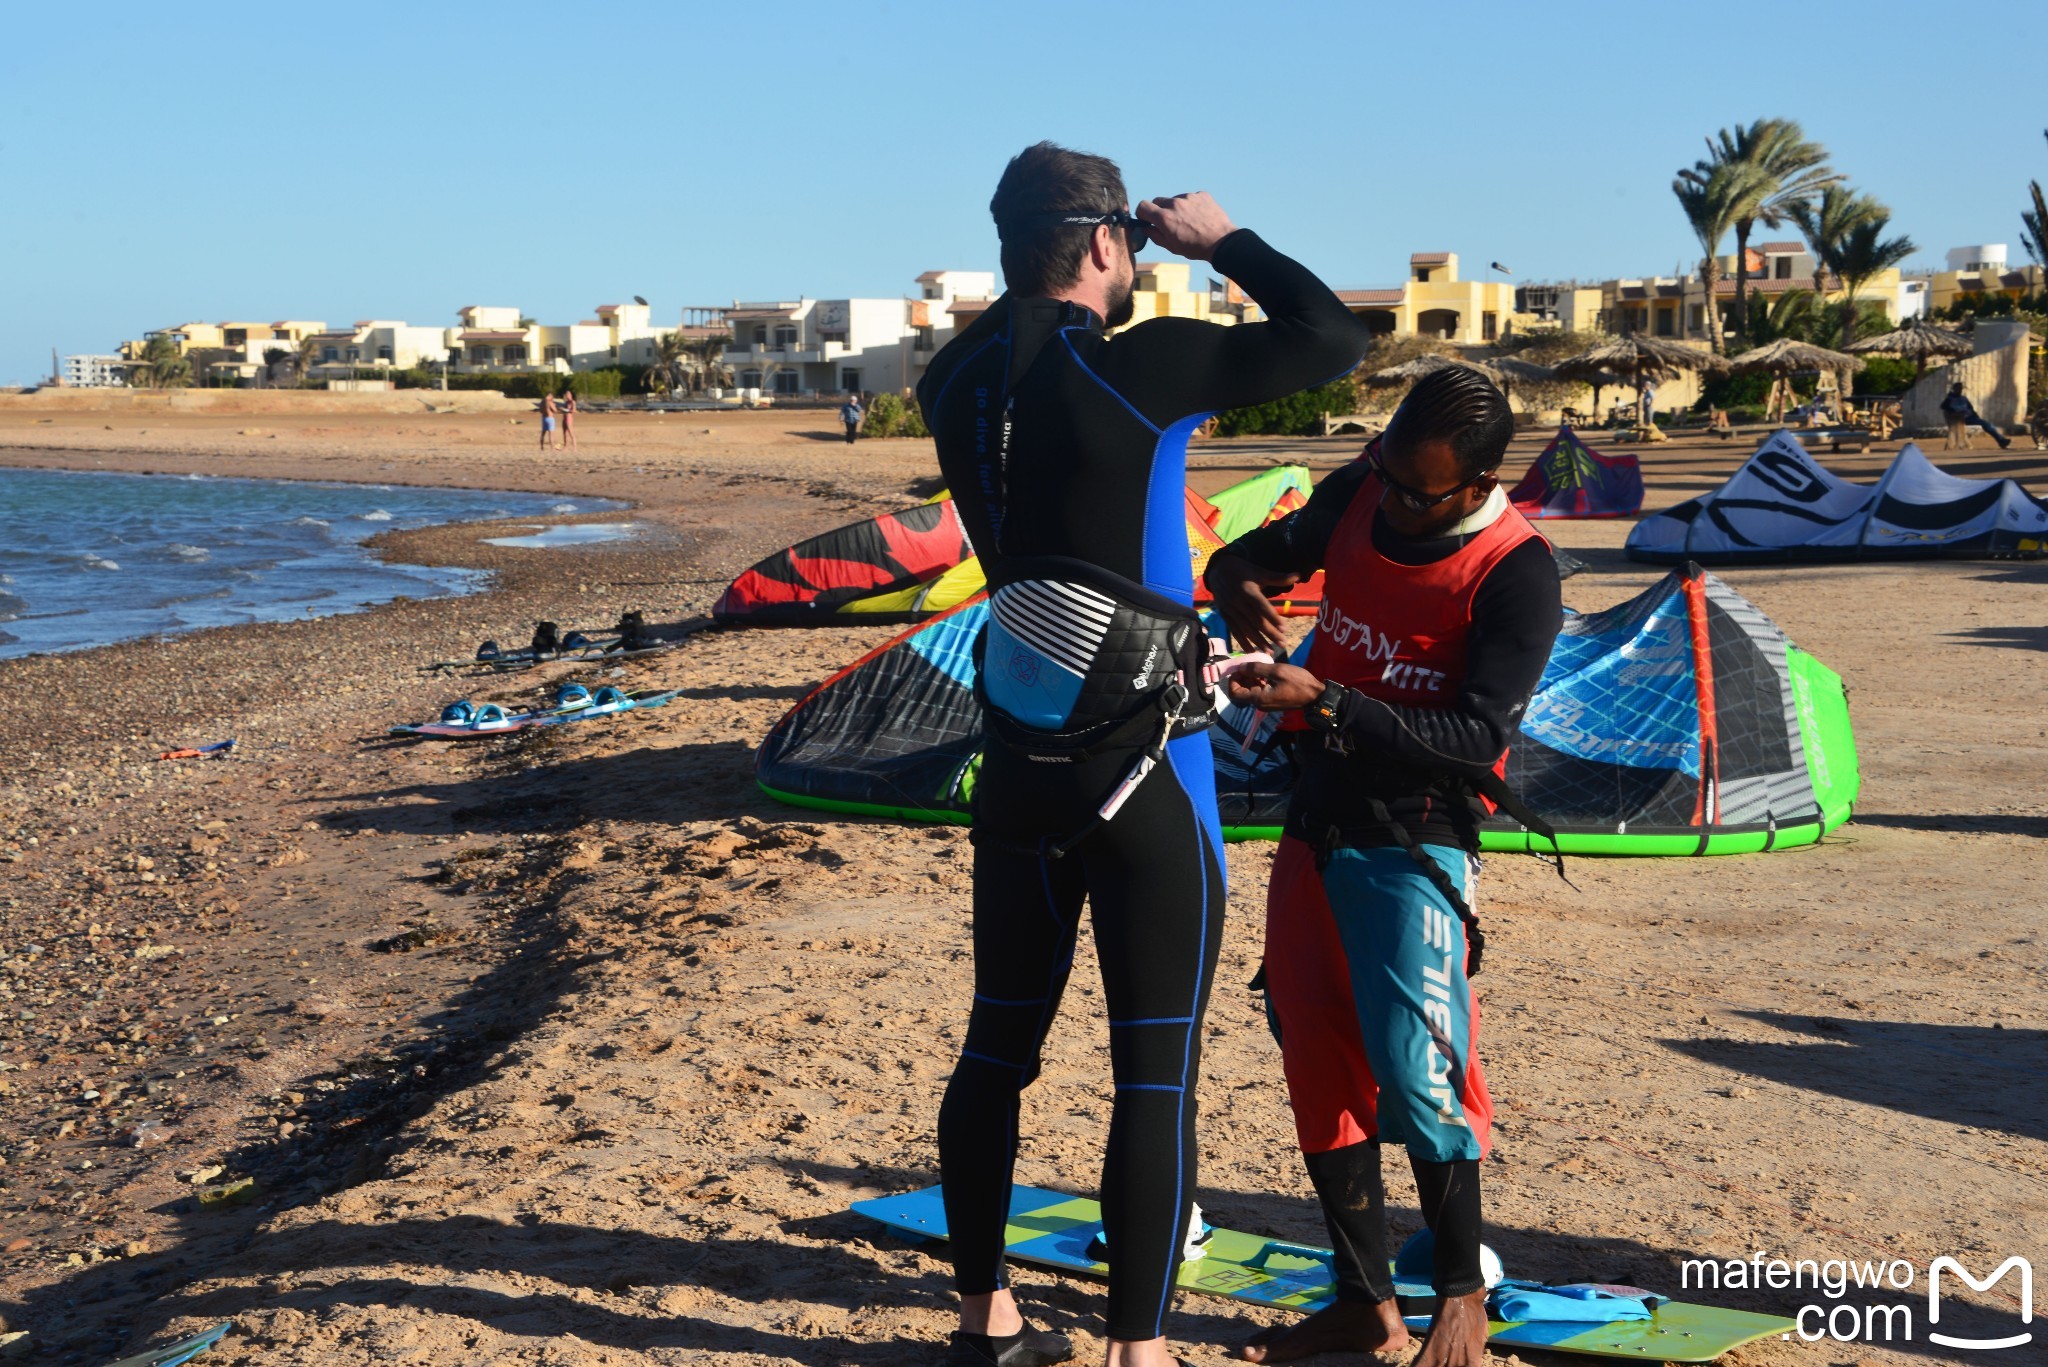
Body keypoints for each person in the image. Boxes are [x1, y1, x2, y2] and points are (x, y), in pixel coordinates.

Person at [917, 141, 1370, 1367]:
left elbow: (1009, 351)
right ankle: (1136, 1349)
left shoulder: (950, 382)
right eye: (1124, 246)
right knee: (1151, 1073)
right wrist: (1221, 242)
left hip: (1017, 766)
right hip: (1141, 772)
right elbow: (1331, 338)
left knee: (993, 1048)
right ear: (1110, 242)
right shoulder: (1136, 367)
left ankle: (984, 1319)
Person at [1205, 366, 1563, 1367]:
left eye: (1419, 492)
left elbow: (1476, 735)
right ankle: (1364, 1302)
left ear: (1478, 482)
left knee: (1418, 1065)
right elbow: (1254, 553)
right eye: (1387, 475)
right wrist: (1234, 581)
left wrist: (1327, 700)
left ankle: (1459, 1294)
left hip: (1417, 834)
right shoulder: (1366, 486)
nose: (1394, 502)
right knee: (1314, 1051)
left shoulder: (1517, 571)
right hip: (1316, 819)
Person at [1942, 381, 2009, 450]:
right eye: (1958, 388)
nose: (1960, 390)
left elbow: (1971, 408)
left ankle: (2001, 440)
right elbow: (1944, 407)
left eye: (1961, 389)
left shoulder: (1964, 398)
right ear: (1954, 389)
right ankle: (2002, 441)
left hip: (1971, 417)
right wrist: (1955, 413)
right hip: (1961, 419)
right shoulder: (1949, 399)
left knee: (1988, 425)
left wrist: (1975, 416)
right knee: (1986, 424)